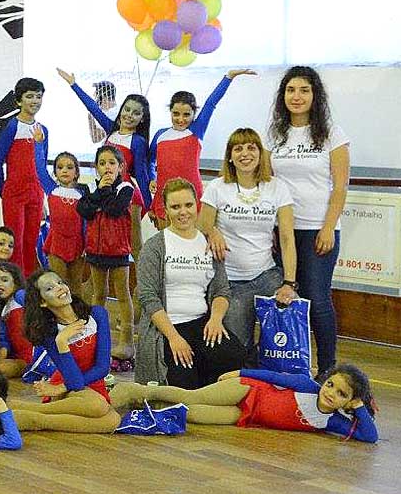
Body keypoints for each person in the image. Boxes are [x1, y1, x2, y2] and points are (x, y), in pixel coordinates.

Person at [267, 66, 349, 375]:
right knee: (285, 295)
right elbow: (266, 182)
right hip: (282, 230)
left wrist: (328, 227)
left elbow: (340, 187)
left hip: (318, 229)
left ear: (315, 95)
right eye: (291, 90)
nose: (297, 96)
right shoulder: (274, 134)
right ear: (283, 95)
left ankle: (327, 369)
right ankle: (288, 364)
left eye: (304, 90)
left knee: (317, 298)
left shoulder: (332, 133)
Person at [135, 179, 246, 388]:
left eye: (188, 205)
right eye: (175, 207)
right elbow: (148, 297)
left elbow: (221, 290)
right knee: (184, 384)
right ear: (166, 210)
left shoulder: (210, 242)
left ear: (197, 205)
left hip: (202, 323)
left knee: (238, 360)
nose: (183, 212)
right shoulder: (154, 247)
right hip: (168, 327)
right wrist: (174, 338)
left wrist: (215, 320)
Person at [199, 128, 297, 360]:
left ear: (260, 154)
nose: (245, 153)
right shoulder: (217, 187)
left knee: (281, 343)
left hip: (266, 276)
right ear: (230, 156)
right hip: (230, 282)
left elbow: (286, 238)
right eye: (238, 148)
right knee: (237, 350)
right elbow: (201, 225)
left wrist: (288, 283)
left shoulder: (277, 187)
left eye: (251, 148)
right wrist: (213, 231)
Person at [110, 365, 376, 443]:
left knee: (190, 414)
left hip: (246, 416)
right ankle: (137, 390)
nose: (330, 393)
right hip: (248, 391)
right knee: (192, 396)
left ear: (348, 401)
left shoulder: (332, 421)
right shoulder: (307, 386)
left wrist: (360, 406)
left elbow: (370, 436)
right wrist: (239, 373)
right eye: (330, 384)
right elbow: (272, 376)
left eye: (341, 394)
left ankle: (148, 405)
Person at [58, 68, 151, 268]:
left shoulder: (138, 141)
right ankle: (97, 282)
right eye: (127, 109)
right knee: (108, 240)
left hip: (128, 196)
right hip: (106, 193)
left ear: (142, 118)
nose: (129, 115)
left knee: (133, 244)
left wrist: (150, 206)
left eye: (136, 113)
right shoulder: (111, 130)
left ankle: (144, 282)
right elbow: (93, 108)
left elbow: (142, 176)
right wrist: (74, 84)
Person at [10, 269, 119, 433]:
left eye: (60, 282)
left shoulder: (97, 314)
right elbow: (75, 383)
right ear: (43, 302)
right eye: (50, 288)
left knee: (112, 421)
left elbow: (103, 368)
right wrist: (62, 342)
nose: (59, 287)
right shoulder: (50, 334)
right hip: (70, 384)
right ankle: (34, 417)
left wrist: (62, 387)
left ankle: (34, 414)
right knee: (99, 406)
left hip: (83, 382)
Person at [148, 70, 255, 226]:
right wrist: (152, 178)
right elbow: (150, 161)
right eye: (176, 114)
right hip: (164, 198)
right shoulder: (160, 135)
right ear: (170, 111)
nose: (180, 119)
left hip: (192, 197)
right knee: (167, 241)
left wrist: (229, 77)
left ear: (194, 114)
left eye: (186, 115)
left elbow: (211, 103)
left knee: (195, 239)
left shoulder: (196, 130)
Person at [77, 145, 136, 366]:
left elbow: (114, 209)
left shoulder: (125, 188)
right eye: (102, 163)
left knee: (122, 294)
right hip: (95, 251)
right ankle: (97, 337)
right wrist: (99, 192)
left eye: (112, 163)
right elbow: (84, 210)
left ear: (121, 167)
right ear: (96, 167)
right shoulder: (94, 189)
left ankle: (126, 341)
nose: (107, 167)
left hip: (118, 251)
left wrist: (105, 190)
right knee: (98, 294)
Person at [0, 77, 53, 274]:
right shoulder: (12, 127)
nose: (35, 101)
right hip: (14, 194)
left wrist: (44, 199)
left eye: (38, 96)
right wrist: (4, 191)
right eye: (29, 96)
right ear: (19, 100)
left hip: (36, 194)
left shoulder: (43, 130)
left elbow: (42, 166)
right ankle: (15, 285)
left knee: (31, 242)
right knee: (15, 243)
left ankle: (27, 286)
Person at [41, 151, 89, 301]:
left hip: (77, 245)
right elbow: (39, 168)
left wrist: (87, 244)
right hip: (56, 244)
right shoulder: (52, 189)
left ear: (76, 173)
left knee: (76, 285)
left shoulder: (82, 194)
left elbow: (86, 222)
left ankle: (77, 312)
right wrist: (39, 144)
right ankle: (57, 312)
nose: (64, 170)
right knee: (57, 283)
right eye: (60, 167)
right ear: (55, 172)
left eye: (69, 167)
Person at [0, 261, 32, 376]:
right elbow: (4, 339)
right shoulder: (2, 310)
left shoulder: (20, 295)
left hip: (38, 352)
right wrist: (1, 357)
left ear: (16, 282)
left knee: (0, 369)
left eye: (4, 280)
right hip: (21, 357)